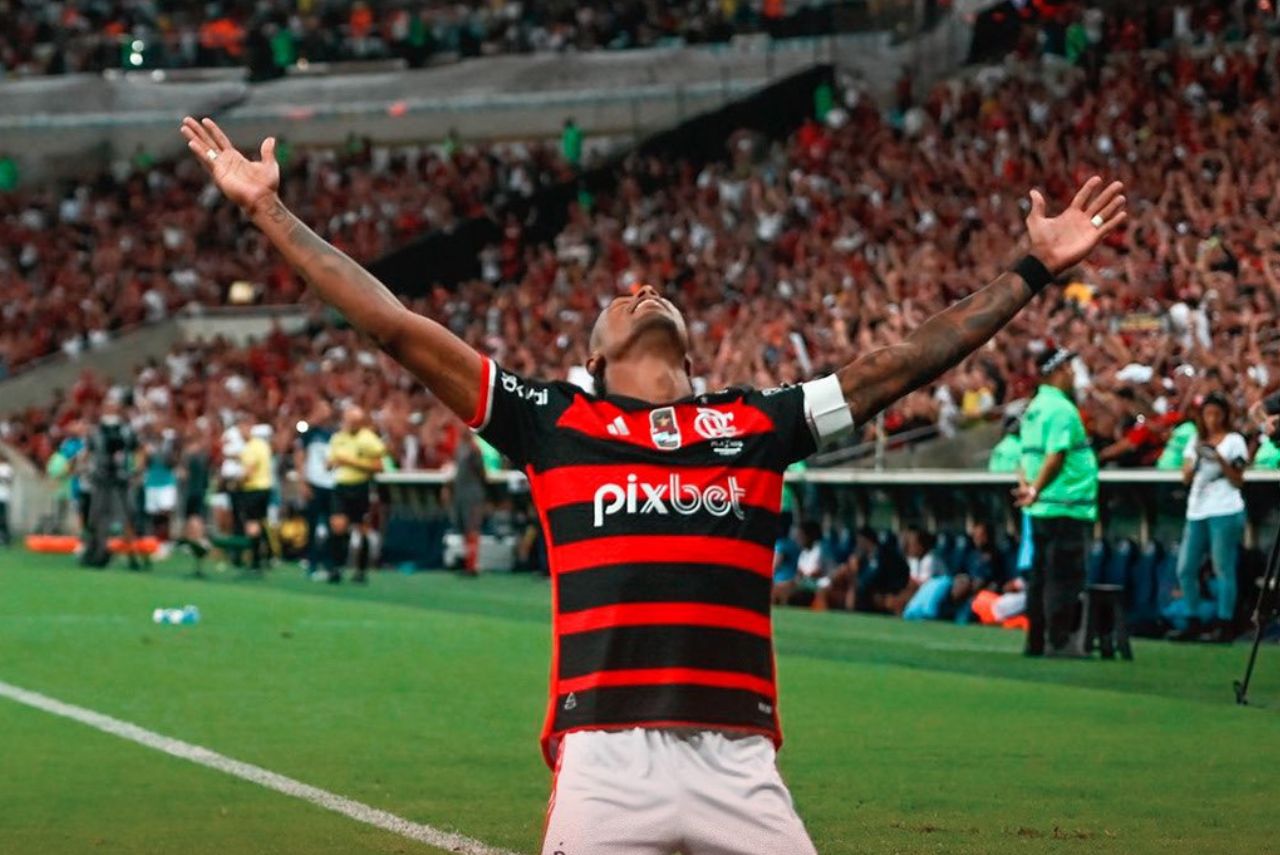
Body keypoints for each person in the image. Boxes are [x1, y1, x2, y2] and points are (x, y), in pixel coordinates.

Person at [180, 114, 1125, 854]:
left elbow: (903, 362)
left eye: (659, 292)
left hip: (740, 752)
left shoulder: (755, 423)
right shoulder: (550, 419)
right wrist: (267, 210)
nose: (642, 287)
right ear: (590, 354)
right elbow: (391, 322)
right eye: (621, 297)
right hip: (605, 752)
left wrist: (1032, 268)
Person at [1014, 347, 1100, 658]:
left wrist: (1027, 488)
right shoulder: (1062, 410)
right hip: (1066, 504)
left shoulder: (1034, 407)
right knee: (1063, 578)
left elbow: (1024, 456)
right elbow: (1057, 454)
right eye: (1069, 369)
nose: (1073, 375)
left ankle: (1035, 641)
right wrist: (1035, 489)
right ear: (1057, 372)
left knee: (1039, 577)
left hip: (1041, 507)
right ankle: (1060, 641)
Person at [1167, 392, 1247, 644]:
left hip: (1225, 507)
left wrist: (1220, 459)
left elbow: (1238, 478)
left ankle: (1225, 622)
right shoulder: (1194, 441)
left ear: (1224, 416)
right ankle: (1193, 617)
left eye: (1216, 414)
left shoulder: (1234, 441)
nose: (1211, 419)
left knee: (1222, 566)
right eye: (1207, 413)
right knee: (1185, 568)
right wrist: (1198, 459)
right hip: (1198, 509)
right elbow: (1185, 477)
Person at [327, 405, 386, 584]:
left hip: (360, 486)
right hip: (341, 485)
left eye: (355, 421)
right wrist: (331, 464)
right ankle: (336, 568)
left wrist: (351, 462)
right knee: (338, 525)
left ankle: (361, 571)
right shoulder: (338, 438)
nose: (351, 424)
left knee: (362, 528)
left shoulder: (369, 440)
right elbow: (330, 461)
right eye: (348, 420)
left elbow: (378, 467)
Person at [81, 399, 142, 569]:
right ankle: (98, 550)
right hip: (101, 478)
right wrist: (84, 469)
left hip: (121, 478)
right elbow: (88, 451)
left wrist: (136, 471)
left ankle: (132, 554)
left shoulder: (126, 431)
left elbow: (138, 450)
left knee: (126, 516)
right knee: (98, 516)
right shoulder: (97, 431)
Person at [295, 400, 337, 580]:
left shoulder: (335, 433)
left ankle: (329, 563)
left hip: (332, 484)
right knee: (312, 525)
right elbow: (300, 456)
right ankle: (311, 562)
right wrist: (302, 482)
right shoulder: (309, 433)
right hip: (315, 483)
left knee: (331, 526)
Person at [239, 422, 275, 573]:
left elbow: (250, 470)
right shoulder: (264, 446)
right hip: (266, 488)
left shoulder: (251, 447)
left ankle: (255, 561)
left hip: (253, 489)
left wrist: (236, 482)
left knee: (252, 524)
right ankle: (269, 555)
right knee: (261, 522)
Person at [451, 429, 487, 576]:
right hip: (461, 493)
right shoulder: (460, 447)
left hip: (472, 493)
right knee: (465, 528)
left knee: (472, 528)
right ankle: (467, 562)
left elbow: (482, 473)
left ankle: (472, 564)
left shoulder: (474, 449)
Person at [0, 456, 12, 546]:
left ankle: (6, 538)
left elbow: (9, 480)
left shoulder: (7, 468)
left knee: (3, 518)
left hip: (3, 497)